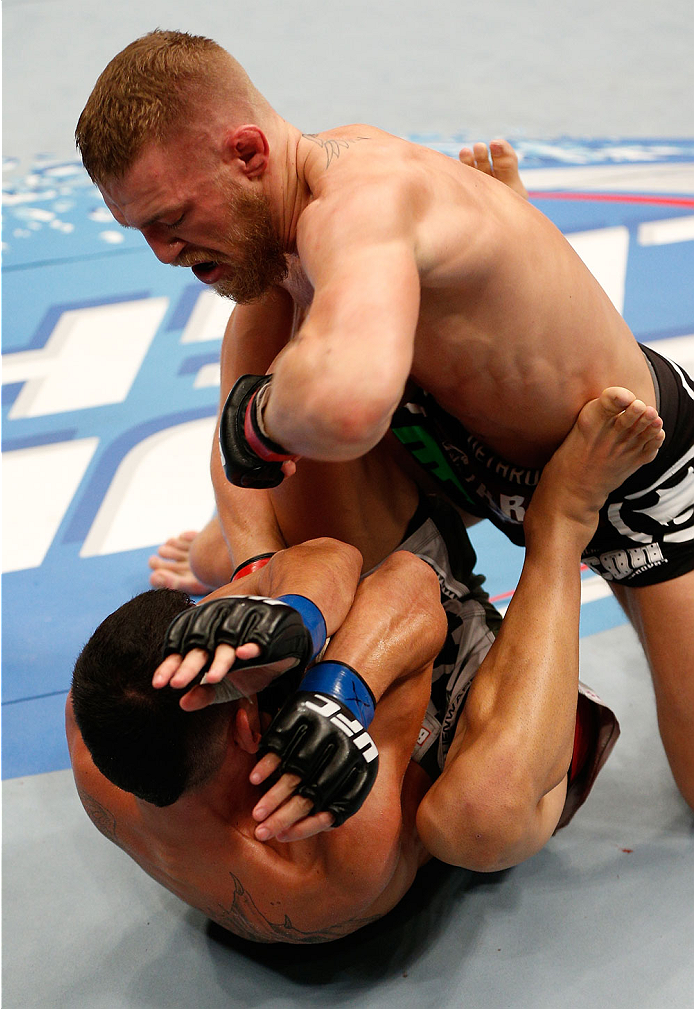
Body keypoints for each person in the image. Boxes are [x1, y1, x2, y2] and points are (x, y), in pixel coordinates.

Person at [75, 30, 694, 809]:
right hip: (462, 446)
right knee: (260, 376)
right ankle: (229, 551)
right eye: (141, 232)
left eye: (169, 218)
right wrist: (254, 577)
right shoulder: (280, 217)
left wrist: (260, 421)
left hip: (624, 462)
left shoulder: (361, 202)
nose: (162, 252)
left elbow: (345, 406)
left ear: (247, 152)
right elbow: (245, 418)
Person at [68, 387, 663, 943]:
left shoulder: (93, 725)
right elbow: (413, 590)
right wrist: (343, 689)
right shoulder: (325, 848)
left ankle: (232, 556)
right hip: (457, 689)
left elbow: (328, 557)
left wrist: (283, 603)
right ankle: (563, 524)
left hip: (367, 625)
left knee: (296, 403)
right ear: (248, 726)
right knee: (481, 819)